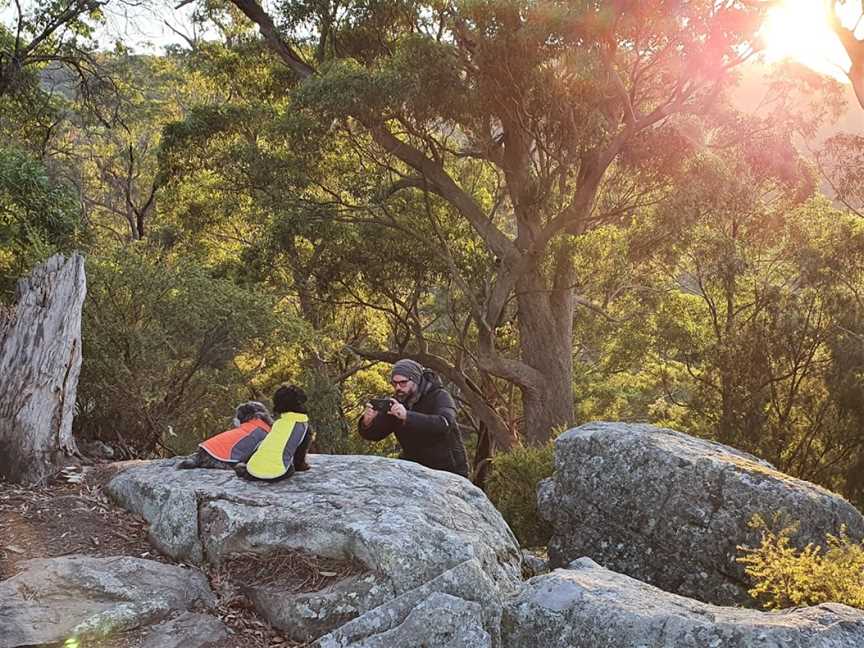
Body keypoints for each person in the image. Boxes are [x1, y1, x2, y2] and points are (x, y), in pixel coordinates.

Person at [359, 359, 469, 478]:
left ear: (415, 380)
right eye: (394, 383)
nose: (398, 388)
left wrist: (407, 416)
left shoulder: (440, 396)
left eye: (403, 383)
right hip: (414, 469)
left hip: (449, 470)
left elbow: (443, 424)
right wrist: (367, 423)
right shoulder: (397, 402)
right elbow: (376, 434)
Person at [235, 384, 312, 481]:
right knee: (291, 468)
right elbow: (299, 455)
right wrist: (300, 465)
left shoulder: (278, 424)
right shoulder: (302, 426)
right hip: (276, 474)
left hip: (252, 470)